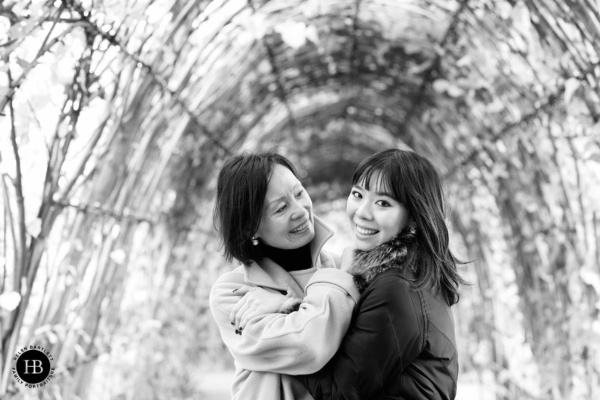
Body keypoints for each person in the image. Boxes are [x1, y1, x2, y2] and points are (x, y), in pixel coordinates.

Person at [236, 149, 466, 400]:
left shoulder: (396, 287)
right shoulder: (412, 273)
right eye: (358, 194)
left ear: (413, 218)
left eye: (383, 203)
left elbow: (337, 391)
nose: (362, 212)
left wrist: (283, 312)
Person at [209, 152, 360, 400]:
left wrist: (284, 306)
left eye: (299, 193)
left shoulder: (343, 267)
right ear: (250, 227)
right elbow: (308, 347)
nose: (300, 210)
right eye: (280, 208)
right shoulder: (233, 292)